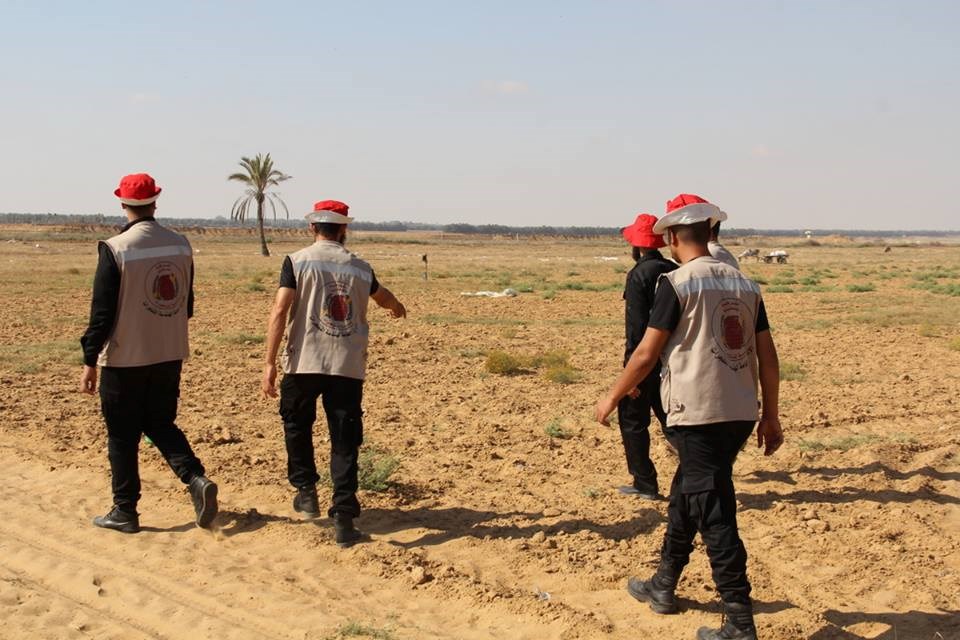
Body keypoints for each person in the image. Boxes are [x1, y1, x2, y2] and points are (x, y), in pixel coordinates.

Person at [595, 194, 784, 640]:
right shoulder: (746, 284)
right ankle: (663, 584)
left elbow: (647, 352)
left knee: (715, 513)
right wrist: (771, 415)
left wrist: (612, 396)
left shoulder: (677, 284)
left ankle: (739, 621)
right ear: (711, 233)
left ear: (674, 238)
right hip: (740, 412)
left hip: (697, 414)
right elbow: (768, 356)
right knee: (688, 493)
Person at [262, 200, 406, 547]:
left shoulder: (296, 261)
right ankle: (343, 517)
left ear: (313, 228)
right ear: (344, 229)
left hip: (303, 361)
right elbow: (383, 297)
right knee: (345, 439)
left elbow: (280, 310)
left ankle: (306, 490)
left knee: (297, 425)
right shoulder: (360, 267)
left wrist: (268, 362)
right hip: (346, 366)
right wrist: (397, 306)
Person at [79, 173, 218, 534]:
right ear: (155, 202)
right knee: (160, 423)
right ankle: (196, 478)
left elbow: (102, 313)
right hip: (169, 354)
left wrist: (90, 359)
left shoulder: (115, 248)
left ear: (123, 204)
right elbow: (186, 305)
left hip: (125, 358)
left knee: (121, 434)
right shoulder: (181, 245)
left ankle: (124, 510)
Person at [616, 213, 677, 499]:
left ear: (637, 244)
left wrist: (631, 373)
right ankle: (694, 476)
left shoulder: (638, 275)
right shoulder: (674, 269)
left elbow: (636, 328)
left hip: (645, 361)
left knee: (632, 421)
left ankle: (644, 482)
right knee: (673, 423)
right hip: (673, 362)